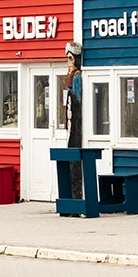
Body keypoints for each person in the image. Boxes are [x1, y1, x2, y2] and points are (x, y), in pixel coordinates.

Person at [64, 41, 84, 202]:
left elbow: (77, 102)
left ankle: (77, 196)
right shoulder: (72, 79)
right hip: (71, 124)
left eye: (70, 59)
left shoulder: (78, 77)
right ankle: (73, 196)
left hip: (76, 125)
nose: (68, 63)